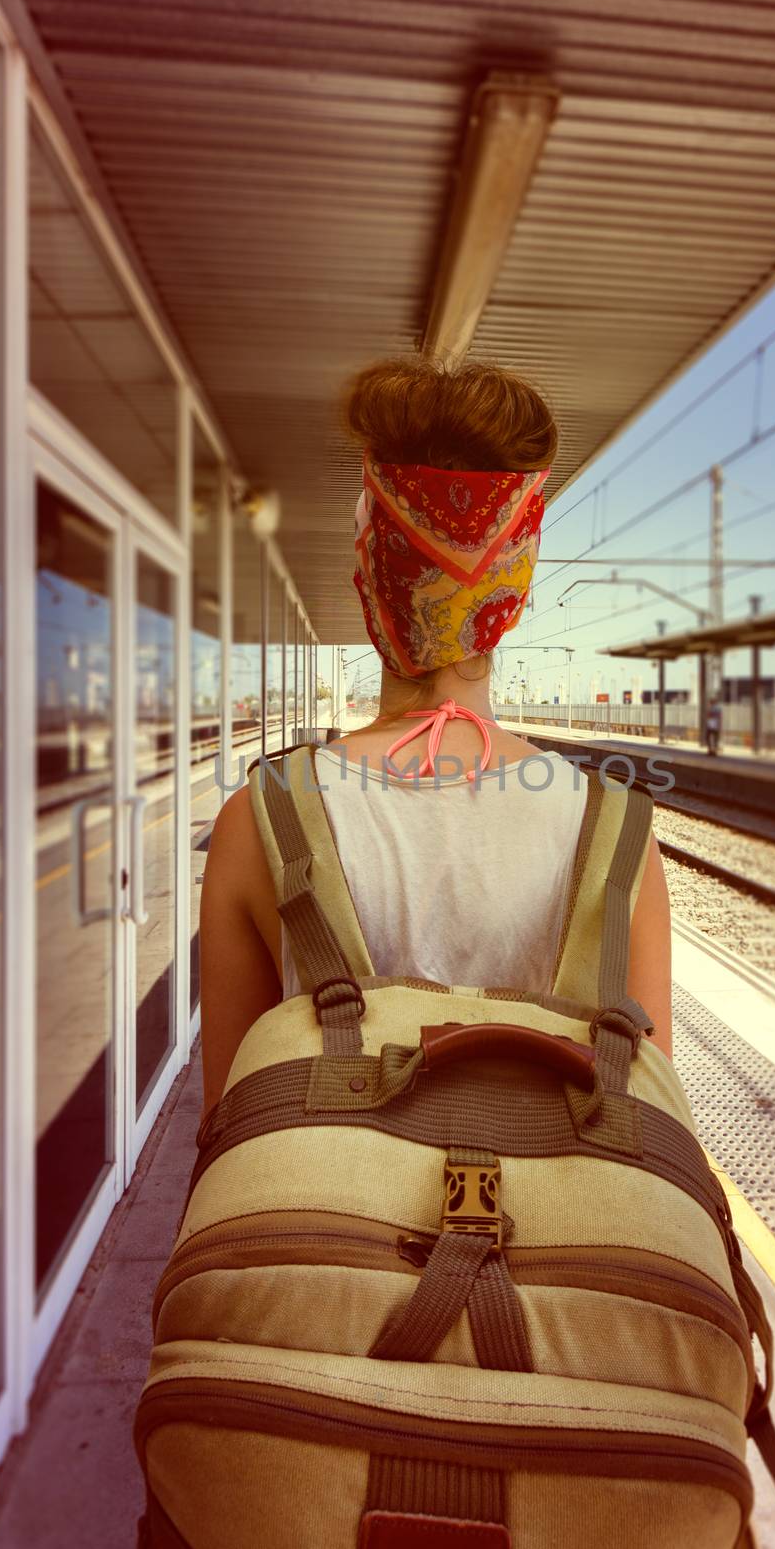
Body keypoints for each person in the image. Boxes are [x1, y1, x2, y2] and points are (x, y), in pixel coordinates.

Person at [199, 356, 672, 1123]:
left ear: (368, 574)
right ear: (513, 593)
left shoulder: (260, 818)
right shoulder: (617, 829)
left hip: (333, 1222)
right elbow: (649, 1108)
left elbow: (226, 1118)